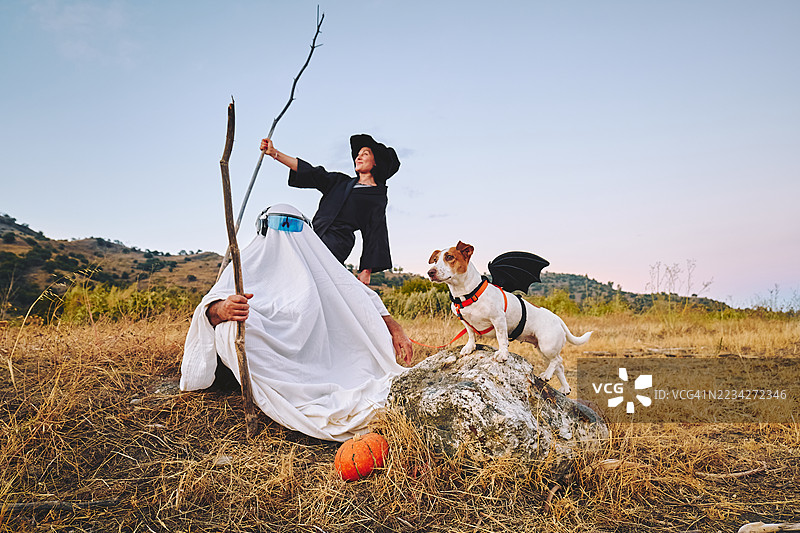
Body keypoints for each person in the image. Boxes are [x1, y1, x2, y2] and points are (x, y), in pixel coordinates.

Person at [180, 204, 413, 442]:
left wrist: (396, 330)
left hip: (324, 358)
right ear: (263, 228)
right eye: (278, 225)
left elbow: (363, 299)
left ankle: (312, 388)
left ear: (306, 231)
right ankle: (266, 389)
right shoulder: (245, 264)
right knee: (230, 328)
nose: (286, 233)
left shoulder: (321, 267)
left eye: (293, 225)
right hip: (268, 355)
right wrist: (224, 309)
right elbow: (208, 312)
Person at [260, 134, 400, 285]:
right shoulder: (339, 182)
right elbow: (312, 173)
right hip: (312, 234)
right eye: (357, 155)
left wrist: (366, 270)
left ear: (376, 162)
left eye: (365, 154)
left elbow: (376, 230)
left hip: (337, 243)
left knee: (313, 280)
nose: (358, 158)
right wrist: (274, 153)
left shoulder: (376, 196)